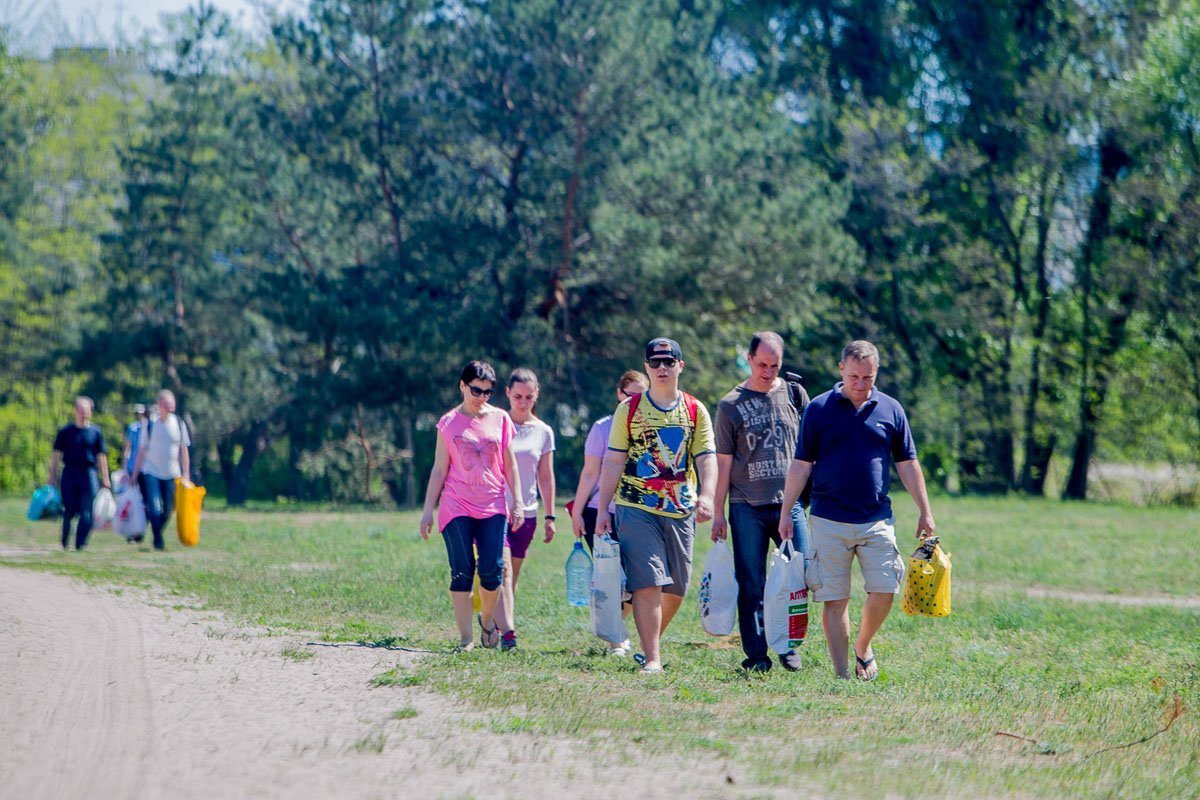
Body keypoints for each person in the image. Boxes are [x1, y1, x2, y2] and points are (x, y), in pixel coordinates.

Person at [780, 340, 936, 681]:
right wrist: (786, 510)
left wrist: (924, 511)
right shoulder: (819, 409)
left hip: (876, 518)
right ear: (841, 370)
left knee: (885, 588)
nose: (861, 384)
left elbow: (908, 463)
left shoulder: (891, 409)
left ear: (876, 373)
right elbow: (802, 463)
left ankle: (863, 648)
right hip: (828, 519)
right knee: (834, 598)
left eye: (868, 377)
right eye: (854, 376)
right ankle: (841, 677)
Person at [595, 338, 716, 674]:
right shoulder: (629, 410)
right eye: (655, 362)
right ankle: (653, 659)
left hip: (680, 510)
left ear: (681, 365)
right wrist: (603, 508)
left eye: (669, 361)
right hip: (636, 507)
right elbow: (614, 460)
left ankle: (649, 642)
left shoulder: (695, 409)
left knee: (677, 587)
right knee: (648, 582)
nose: (662, 368)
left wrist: (706, 496)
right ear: (647, 367)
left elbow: (706, 458)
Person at [711, 331, 810, 673]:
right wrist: (718, 514)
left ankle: (789, 646)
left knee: (798, 578)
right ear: (749, 359)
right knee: (752, 583)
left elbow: (810, 451)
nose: (768, 371)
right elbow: (723, 464)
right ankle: (757, 654)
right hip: (745, 505)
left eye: (775, 365)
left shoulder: (795, 394)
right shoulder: (729, 405)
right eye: (762, 364)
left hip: (790, 503)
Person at [420, 361, 524, 651]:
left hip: (493, 504)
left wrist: (518, 501)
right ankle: (466, 639)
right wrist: (428, 509)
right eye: (476, 390)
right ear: (462, 386)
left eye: (487, 392)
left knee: (493, 570)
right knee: (462, 571)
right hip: (456, 504)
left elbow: (510, 465)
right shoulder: (448, 422)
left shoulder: (501, 419)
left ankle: (487, 621)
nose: (481, 396)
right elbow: (440, 469)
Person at [569, 369, 649, 655]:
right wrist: (577, 513)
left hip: (637, 512)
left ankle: (610, 623)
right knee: (613, 577)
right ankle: (617, 639)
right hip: (599, 513)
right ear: (619, 394)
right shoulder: (602, 429)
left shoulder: (649, 430)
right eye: (630, 395)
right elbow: (590, 474)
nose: (635, 402)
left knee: (637, 579)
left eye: (642, 396)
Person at [494, 367, 556, 651]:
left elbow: (545, 476)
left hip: (527, 513)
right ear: (507, 393)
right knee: (503, 571)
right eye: (517, 396)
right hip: (495, 509)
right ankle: (508, 632)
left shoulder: (544, 431)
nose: (522, 402)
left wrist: (550, 515)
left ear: (536, 395)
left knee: (512, 577)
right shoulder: (495, 422)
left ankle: (495, 622)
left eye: (528, 397)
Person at [130, 390, 192, 551]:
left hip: (172, 473)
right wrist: (134, 474)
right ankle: (158, 540)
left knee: (168, 509)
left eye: (172, 403)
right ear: (159, 404)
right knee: (155, 507)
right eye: (166, 403)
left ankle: (156, 531)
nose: (170, 406)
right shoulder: (149, 424)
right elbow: (141, 452)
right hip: (151, 472)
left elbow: (183, 450)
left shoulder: (179, 423)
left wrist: (186, 474)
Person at [48, 396, 111, 551]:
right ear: (75, 411)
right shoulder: (66, 431)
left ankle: (80, 543)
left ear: (91, 412)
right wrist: (52, 476)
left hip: (88, 473)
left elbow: (101, 455)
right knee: (68, 509)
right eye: (81, 411)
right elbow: (56, 454)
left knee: (87, 511)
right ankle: (64, 540)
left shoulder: (95, 432)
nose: (84, 414)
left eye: (87, 411)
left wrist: (106, 478)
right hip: (69, 472)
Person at [122, 403, 149, 543]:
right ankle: (132, 530)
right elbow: (127, 449)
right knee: (133, 501)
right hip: (134, 468)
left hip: (147, 469)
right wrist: (125, 469)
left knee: (145, 502)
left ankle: (140, 531)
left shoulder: (151, 428)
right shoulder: (133, 428)